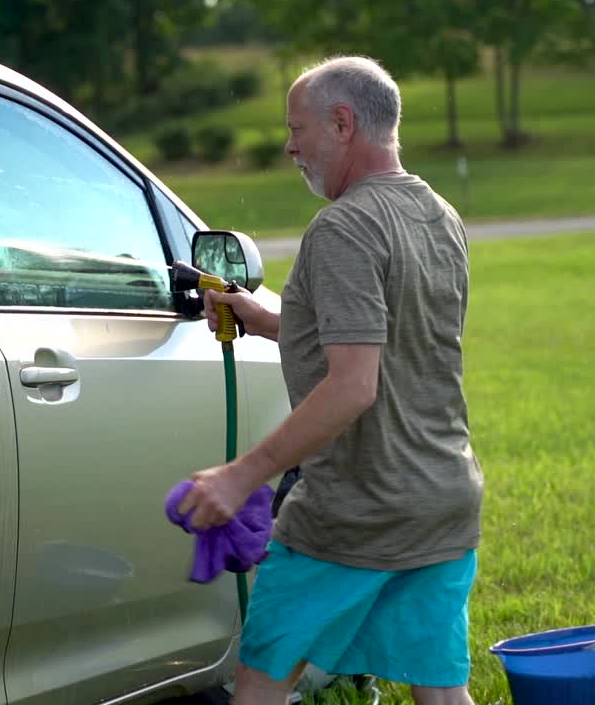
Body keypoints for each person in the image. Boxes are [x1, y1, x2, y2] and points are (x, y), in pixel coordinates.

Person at [176, 55, 484, 705]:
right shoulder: (438, 215)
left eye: (299, 128)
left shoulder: (341, 227)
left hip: (355, 512)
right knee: (442, 694)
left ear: (343, 124)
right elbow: (383, 341)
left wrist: (242, 475)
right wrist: (265, 318)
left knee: (261, 682)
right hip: (441, 500)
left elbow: (353, 385)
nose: (290, 145)